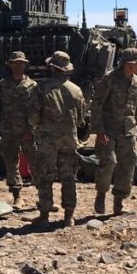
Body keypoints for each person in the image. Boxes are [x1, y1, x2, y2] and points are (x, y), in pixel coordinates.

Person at [28, 51, 86, 228]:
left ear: (52, 68)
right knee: (69, 178)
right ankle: (69, 217)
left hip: (48, 141)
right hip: (69, 139)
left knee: (45, 177)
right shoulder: (76, 90)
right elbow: (81, 118)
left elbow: (33, 117)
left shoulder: (40, 88)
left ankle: (44, 216)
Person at [91, 47, 137, 216]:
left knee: (128, 163)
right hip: (108, 129)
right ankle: (101, 194)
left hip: (128, 130)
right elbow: (97, 105)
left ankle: (119, 202)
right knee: (109, 162)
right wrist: (99, 130)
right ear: (129, 64)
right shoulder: (109, 79)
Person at [0, 51, 37, 208]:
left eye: (21, 63)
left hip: (27, 131)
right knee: (11, 162)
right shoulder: (3, 84)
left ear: (25, 65)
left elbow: (36, 110)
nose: (18, 65)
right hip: (8, 130)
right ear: (10, 65)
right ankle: (17, 196)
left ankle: (44, 198)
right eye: (15, 63)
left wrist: (30, 129)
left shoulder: (32, 86)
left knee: (35, 162)